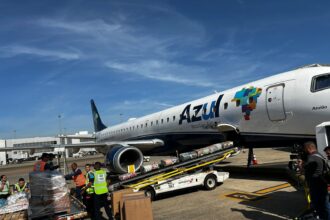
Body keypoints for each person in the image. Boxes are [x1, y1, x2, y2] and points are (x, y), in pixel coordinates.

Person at [303, 141, 330, 219]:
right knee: (324, 204)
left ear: (308, 148)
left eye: (328, 153)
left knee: (321, 205)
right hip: (321, 185)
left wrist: (302, 165)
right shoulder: (319, 155)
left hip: (317, 186)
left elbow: (307, 166)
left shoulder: (312, 157)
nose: (327, 155)